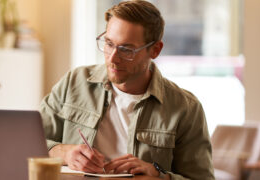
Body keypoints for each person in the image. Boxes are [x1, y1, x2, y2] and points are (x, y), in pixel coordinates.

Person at [39, 0, 214, 179]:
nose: (113, 58)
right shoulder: (74, 83)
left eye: (126, 49)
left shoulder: (186, 109)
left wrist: (158, 175)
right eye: (108, 44)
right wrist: (64, 153)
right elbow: (30, 144)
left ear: (155, 50)